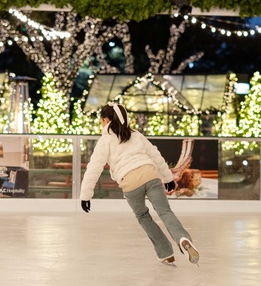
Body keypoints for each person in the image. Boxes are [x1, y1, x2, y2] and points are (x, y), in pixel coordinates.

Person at [80, 103, 200, 266]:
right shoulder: (136, 135)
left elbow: (94, 168)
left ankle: (166, 253)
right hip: (150, 174)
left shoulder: (105, 141)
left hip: (130, 182)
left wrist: (85, 196)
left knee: (143, 216)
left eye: (101, 120)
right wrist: (168, 178)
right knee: (164, 211)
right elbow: (155, 156)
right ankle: (183, 239)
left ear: (106, 120)